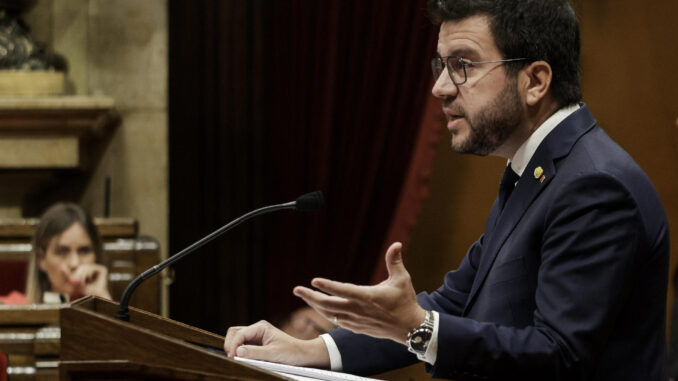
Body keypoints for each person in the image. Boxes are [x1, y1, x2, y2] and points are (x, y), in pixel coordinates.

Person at [224, 1, 669, 379]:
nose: (439, 88)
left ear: (535, 81)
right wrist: (309, 350)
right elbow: (455, 303)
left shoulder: (593, 186)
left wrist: (419, 329)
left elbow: (560, 357)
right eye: (442, 65)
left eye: (463, 65)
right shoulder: (537, 171)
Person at [24, 202, 111, 303]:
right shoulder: (14, 308)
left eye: (84, 251)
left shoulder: (109, 300)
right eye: (62, 252)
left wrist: (102, 298)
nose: (75, 263)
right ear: (41, 258)